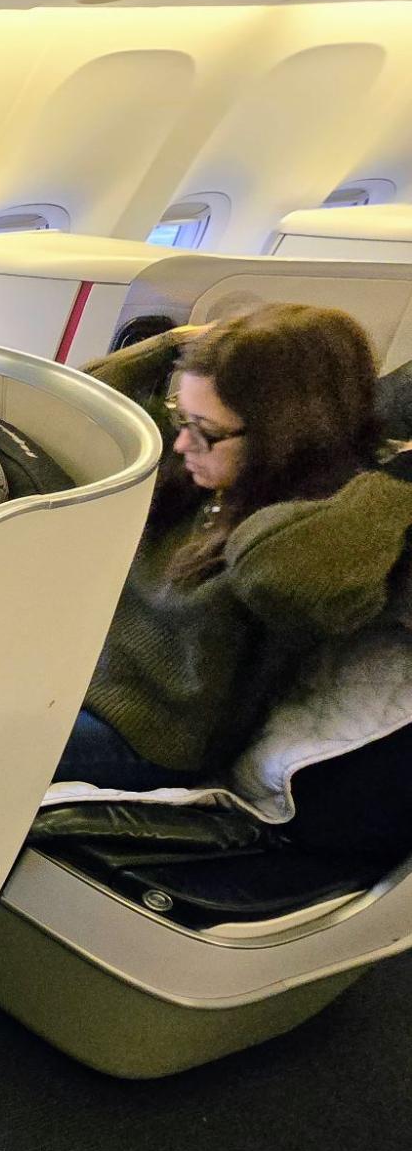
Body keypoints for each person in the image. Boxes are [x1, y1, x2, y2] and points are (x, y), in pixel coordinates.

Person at [58, 302, 412, 791]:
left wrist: (400, 480)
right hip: (75, 681)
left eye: (204, 430)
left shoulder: (316, 517)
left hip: (148, 738)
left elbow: (278, 575)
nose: (182, 444)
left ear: (286, 431)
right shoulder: (205, 466)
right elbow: (70, 410)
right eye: (181, 417)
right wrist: (176, 346)